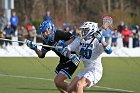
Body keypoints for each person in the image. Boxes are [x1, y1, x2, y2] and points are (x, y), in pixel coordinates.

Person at [58, 18, 113, 93]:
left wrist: (102, 41)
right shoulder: (80, 39)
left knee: (79, 84)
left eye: (86, 30)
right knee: (69, 89)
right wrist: (64, 50)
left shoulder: (97, 40)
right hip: (86, 69)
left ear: (91, 31)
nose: (83, 32)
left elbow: (109, 51)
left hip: (95, 69)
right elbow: (69, 48)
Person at [25, 20, 78, 93]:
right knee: (58, 85)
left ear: (50, 29)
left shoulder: (58, 34)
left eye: (45, 32)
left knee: (58, 81)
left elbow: (74, 38)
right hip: (63, 60)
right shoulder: (47, 41)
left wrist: (64, 44)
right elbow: (41, 55)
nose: (44, 34)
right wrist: (34, 48)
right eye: (43, 33)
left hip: (71, 58)